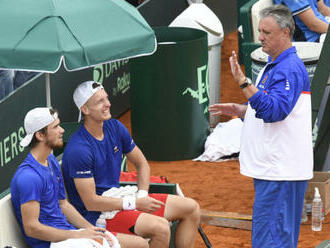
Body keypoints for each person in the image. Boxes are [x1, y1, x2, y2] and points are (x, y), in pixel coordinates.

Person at [210, 5, 313, 248]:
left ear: (286, 32)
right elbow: (272, 108)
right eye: (259, 31)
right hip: (274, 171)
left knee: (272, 242)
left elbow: (274, 111)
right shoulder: (275, 64)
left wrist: (244, 83)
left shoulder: (287, 69)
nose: (261, 37)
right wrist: (243, 110)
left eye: (267, 32)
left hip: (280, 172)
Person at [61, 81, 200, 248]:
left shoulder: (115, 127)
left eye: (106, 98)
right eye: (100, 101)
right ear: (85, 109)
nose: (108, 104)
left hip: (121, 198)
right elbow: (91, 202)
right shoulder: (79, 149)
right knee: (161, 228)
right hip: (97, 215)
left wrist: (142, 195)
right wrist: (133, 203)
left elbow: (142, 164)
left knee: (191, 208)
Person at [11, 107, 148, 248]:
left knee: (140, 244)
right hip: (52, 243)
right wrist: (76, 234)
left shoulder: (50, 161)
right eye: (56, 127)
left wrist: (93, 230)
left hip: (68, 234)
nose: (62, 130)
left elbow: (63, 204)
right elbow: (32, 228)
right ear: (40, 135)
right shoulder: (29, 177)